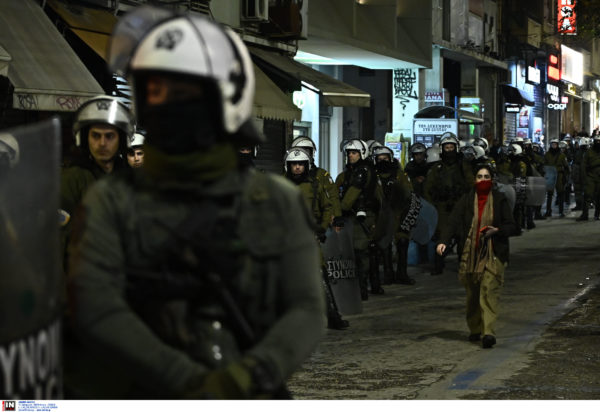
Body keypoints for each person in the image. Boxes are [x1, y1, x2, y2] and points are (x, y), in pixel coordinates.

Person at [65, 7, 325, 399]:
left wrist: (247, 376)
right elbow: (95, 306)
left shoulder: (275, 200)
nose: (170, 107)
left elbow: (306, 309)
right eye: (157, 92)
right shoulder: (113, 199)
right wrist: (187, 380)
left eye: (186, 94)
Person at [436, 163, 517, 349]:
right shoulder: (466, 200)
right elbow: (453, 221)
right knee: (473, 294)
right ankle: (475, 327)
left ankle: (488, 332)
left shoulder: (499, 199)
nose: (483, 180)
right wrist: (443, 241)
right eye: (480, 177)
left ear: (492, 179)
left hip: (494, 253)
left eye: (486, 177)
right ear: (474, 180)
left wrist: (497, 230)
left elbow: (513, 226)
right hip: (471, 254)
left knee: (489, 291)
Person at [60, 95, 134, 269]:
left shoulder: (130, 179)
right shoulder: (73, 179)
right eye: (95, 136)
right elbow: (62, 239)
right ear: (85, 138)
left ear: (121, 140)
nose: (102, 143)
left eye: (109, 136)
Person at [283, 147, 348, 330]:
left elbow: (327, 207)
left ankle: (332, 316)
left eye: (300, 164)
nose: (297, 167)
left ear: (306, 165)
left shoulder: (315, 184)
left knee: (320, 274)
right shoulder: (280, 185)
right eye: (294, 164)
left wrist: (321, 229)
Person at [336, 139, 383, 299]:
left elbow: (349, 199)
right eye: (349, 153)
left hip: (362, 218)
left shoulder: (361, 171)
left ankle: (361, 290)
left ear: (362, 154)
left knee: (360, 252)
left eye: (354, 153)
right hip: (360, 216)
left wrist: (338, 211)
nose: (350, 155)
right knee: (362, 252)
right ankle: (369, 286)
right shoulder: (355, 171)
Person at [424, 132, 473, 275]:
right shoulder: (437, 168)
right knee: (442, 236)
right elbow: (428, 188)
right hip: (443, 208)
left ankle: (463, 264)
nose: (449, 150)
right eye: (447, 148)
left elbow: (471, 185)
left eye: (452, 147)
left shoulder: (463, 167)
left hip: (460, 207)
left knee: (462, 237)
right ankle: (438, 265)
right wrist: (433, 204)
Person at [371, 145, 416, 285]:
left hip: (399, 213)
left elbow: (409, 195)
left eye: (385, 158)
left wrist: (408, 215)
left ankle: (402, 273)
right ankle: (388, 273)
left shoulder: (399, 175)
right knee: (384, 243)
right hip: (381, 215)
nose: (383, 161)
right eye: (379, 159)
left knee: (402, 241)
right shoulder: (372, 176)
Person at [290, 136, 344, 231]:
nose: (305, 154)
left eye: (307, 151)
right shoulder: (288, 175)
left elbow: (332, 195)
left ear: (313, 153)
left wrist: (337, 216)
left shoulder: (321, 174)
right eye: (301, 151)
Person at [544, 138, 570, 217]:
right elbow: (544, 164)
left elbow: (566, 166)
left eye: (555, 144)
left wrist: (566, 176)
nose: (554, 146)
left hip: (559, 175)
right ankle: (548, 211)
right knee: (549, 194)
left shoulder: (562, 155)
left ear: (557, 145)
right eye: (552, 144)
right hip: (550, 175)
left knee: (560, 193)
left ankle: (561, 211)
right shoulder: (547, 154)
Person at [576, 135, 600, 221]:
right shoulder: (589, 152)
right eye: (597, 141)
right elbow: (583, 165)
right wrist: (584, 178)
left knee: (599, 197)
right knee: (587, 195)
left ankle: (597, 214)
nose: (598, 143)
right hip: (591, 176)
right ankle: (585, 214)